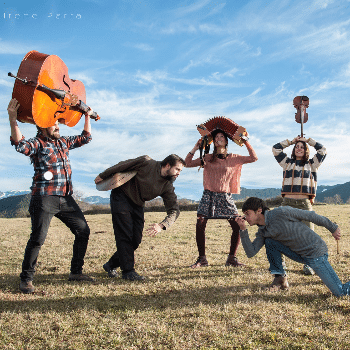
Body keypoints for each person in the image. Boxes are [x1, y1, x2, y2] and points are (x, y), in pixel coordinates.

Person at [8, 98, 95, 294]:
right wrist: (13, 119)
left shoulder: (63, 142)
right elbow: (20, 145)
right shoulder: (38, 143)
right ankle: (26, 280)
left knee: (83, 230)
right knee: (38, 238)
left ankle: (76, 272)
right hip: (44, 198)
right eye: (53, 123)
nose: (57, 125)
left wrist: (87, 116)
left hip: (66, 198)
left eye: (57, 123)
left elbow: (86, 137)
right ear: (42, 127)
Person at [94, 154, 185, 281]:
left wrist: (162, 225)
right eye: (177, 169)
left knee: (135, 240)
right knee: (125, 235)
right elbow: (122, 165)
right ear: (168, 165)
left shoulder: (167, 185)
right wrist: (103, 175)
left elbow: (174, 210)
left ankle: (110, 265)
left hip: (138, 204)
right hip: (121, 196)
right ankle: (128, 271)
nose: (178, 173)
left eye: (180, 171)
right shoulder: (146, 162)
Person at [235, 197, 350, 296]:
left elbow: (311, 216)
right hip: (300, 255)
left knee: (340, 292)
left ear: (259, 211)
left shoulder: (281, 212)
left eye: (247, 214)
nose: (245, 218)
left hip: (316, 253)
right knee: (270, 242)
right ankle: (280, 279)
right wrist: (243, 230)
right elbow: (251, 252)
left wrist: (333, 228)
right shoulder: (263, 231)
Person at [185, 129, 258, 268]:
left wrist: (246, 142)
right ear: (214, 141)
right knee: (200, 224)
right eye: (216, 136)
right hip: (208, 195)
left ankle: (231, 259)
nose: (219, 138)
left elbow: (254, 158)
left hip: (225, 196)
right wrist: (195, 147)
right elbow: (187, 163)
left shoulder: (234, 157)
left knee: (237, 225)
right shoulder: (207, 158)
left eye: (222, 136)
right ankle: (202, 259)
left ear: (226, 141)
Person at [272, 136, 327, 275]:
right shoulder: (287, 163)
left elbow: (323, 150)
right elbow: (276, 149)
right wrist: (292, 141)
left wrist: (308, 140)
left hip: (304, 204)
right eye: (297, 147)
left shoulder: (312, 164)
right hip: (287, 203)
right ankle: (280, 264)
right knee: (280, 233)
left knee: (310, 236)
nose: (299, 149)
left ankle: (310, 264)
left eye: (302, 147)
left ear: (306, 150)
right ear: (294, 149)